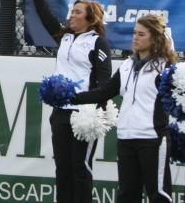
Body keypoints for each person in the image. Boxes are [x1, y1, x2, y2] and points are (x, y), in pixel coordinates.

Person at [71, 15, 176, 201]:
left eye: (141, 34)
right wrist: (71, 97)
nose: (135, 37)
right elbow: (104, 92)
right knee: (127, 194)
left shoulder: (165, 67)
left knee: (158, 193)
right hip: (126, 137)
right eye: (135, 33)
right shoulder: (127, 65)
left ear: (155, 38)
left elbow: (177, 99)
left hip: (152, 138)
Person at [29, 0, 112, 202]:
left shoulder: (97, 43)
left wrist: (78, 98)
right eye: (71, 11)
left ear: (89, 18)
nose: (72, 15)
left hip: (84, 114)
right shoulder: (63, 36)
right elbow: (42, 11)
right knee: (63, 168)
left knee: (80, 168)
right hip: (61, 112)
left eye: (77, 12)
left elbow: (105, 86)